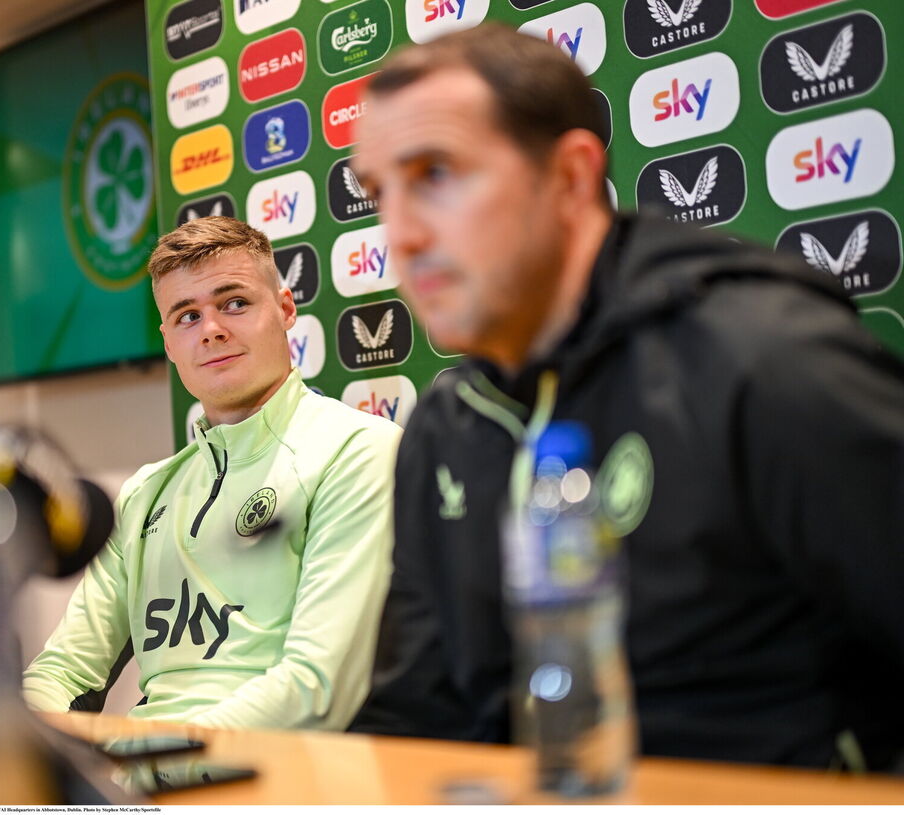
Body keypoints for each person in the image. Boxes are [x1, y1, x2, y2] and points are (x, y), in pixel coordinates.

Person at [348, 23, 904, 771]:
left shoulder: (764, 361)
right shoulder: (446, 424)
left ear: (572, 178)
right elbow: (416, 715)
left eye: (436, 174)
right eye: (379, 193)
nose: (401, 234)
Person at [23, 216, 401, 730]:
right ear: (168, 343)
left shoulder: (357, 450)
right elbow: (62, 672)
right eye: (187, 316)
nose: (212, 330)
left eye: (235, 303)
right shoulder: (143, 494)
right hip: (146, 765)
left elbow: (315, 687)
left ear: (285, 309)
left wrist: (148, 755)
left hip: (277, 768)